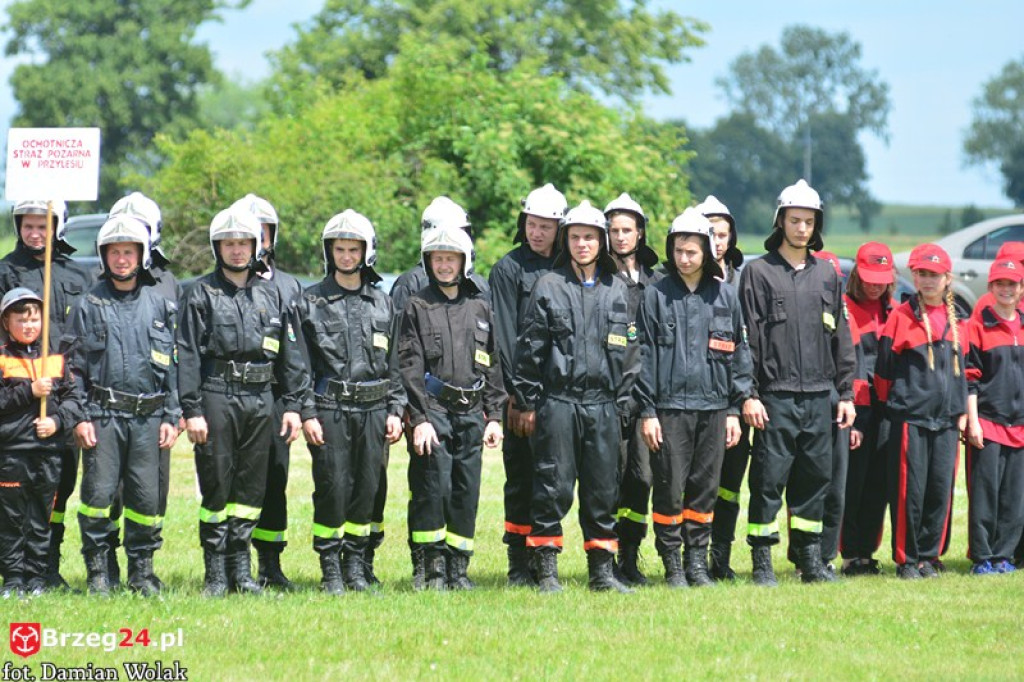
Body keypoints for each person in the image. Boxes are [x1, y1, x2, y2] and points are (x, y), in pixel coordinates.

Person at [176, 207, 306, 597]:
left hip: (261, 398)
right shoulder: (199, 293)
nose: (236, 250)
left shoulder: (272, 294)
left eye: (243, 243)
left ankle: (242, 571)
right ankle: (216, 574)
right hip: (217, 395)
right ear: (217, 247)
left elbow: (291, 356)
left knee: (252, 488)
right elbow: (188, 355)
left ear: (255, 246)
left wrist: (294, 405)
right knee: (217, 484)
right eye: (229, 243)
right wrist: (192, 410)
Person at [514, 200, 640, 593]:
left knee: (603, 489)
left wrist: (624, 405)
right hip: (559, 402)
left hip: (604, 405)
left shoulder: (618, 289)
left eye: (589, 237)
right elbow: (530, 350)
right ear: (565, 241)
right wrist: (528, 402)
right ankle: (547, 571)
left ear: (602, 242)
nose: (582, 244)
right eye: (574, 237)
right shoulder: (548, 286)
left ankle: (601, 573)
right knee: (552, 485)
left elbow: (631, 355)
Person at [739, 179, 855, 586]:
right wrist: (749, 394)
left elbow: (841, 338)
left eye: (808, 221)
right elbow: (747, 340)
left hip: (820, 397)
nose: (802, 228)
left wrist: (846, 393)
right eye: (794, 220)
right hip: (775, 398)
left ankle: (810, 560)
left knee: (815, 481)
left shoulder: (828, 274)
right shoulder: (758, 273)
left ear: (816, 224)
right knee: (767, 481)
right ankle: (762, 562)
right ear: (780, 221)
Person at [635, 207, 752, 587]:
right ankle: (672, 565)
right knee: (669, 490)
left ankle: (697, 564)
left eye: (692, 251)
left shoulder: (726, 296)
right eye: (678, 251)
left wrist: (734, 409)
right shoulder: (655, 295)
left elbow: (740, 355)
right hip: (668, 411)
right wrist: (648, 412)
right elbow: (643, 357)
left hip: (715, 410)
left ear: (707, 251)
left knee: (705, 490)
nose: (684, 258)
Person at [68, 215, 180, 596]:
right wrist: (79, 417)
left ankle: (142, 572)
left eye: (128, 252)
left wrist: (172, 415)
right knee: (98, 497)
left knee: (145, 498)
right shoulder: (88, 305)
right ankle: (99, 571)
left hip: (149, 419)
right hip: (102, 417)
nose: (121, 259)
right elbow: (73, 369)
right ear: (103, 256)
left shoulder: (160, 306)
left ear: (142, 255)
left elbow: (173, 368)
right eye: (114, 252)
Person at [297, 210, 405, 594]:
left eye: (353, 249)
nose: (346, 256)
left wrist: (396, 410)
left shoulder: (383, 303)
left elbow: (395, 364)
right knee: (333, 486)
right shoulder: (309, 302)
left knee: (367, 488)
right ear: (329, 251)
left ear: (366, 252)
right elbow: (300, 366)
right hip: (331, 409)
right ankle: (330, 568)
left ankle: (356, 566)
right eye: (339, 249)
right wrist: (307, 412)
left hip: (375, 410)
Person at [398, 226, 505, 590]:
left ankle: (458, 568)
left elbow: (492, 363)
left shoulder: (480, 306)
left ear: (464, 262)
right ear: (428, 262)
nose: (444, 265)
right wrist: (420, 419)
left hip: (472, 414)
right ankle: (431, 569)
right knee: (433, 489)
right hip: (434, 411)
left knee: (465, 491)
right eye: (438, 258)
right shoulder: (417, 306)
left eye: (451, 258)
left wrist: (495, 416)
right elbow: (409, 366)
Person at [0, 199, 94, 591]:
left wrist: (72, 412)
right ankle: (14, 573)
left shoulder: (76, 274)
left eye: (44, 226)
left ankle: (45, 568)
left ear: (57, 228)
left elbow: (86, 340)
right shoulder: (5, 271)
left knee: (57, 490)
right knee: (12, 505)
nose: (36, 233)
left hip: (61, 393)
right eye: (29, 226)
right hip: (16, 408)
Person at [874, 243, 967, 579]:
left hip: (947, 420)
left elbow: (966, 373)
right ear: (913, 276)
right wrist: (901, 404)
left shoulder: (959, 321)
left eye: (934, 275)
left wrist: (961, 411)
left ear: (947, 278)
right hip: (910, 418)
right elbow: (883, 372)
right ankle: (907, 559)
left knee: (939, 489)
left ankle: (930, 556)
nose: (928, 281)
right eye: (922, 274)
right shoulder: (901, 316)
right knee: (908, 492)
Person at [489, 183, 566, 587]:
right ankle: (518, 563)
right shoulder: (508, 269)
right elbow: (503, 337)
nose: (537, 233)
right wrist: (518, 398)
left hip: (563, 394)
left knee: (554, 479)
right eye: (532, 224)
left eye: (546, 226)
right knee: (521, 478)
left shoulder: (569, 267)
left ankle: (544, 558)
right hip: (521, 395)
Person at [105, 191, 181, 591]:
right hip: (110, 411)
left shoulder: (168, 283)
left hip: (153, 409)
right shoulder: (98, 285)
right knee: (107, 489)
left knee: (151, 489)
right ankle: (105, 565)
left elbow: (178, 352)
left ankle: (143, 566)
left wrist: (175, 409)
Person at [230, 193, 304, 591]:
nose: (255, 239)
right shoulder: (222, 284)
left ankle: (270, 564)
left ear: (272, 236)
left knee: (275, 478)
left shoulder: (290, 287)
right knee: (234, 479)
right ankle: (230, 563)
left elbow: (299, 353)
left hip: (276, 398)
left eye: (262, 231)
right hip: (232, 396)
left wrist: (296, 404)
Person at [0, 288, 83, 598]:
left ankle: (36, 577)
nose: (28, 326)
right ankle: (12, 579)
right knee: (11, 519)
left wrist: (57, 422)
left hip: (48, 452)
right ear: (6, 322)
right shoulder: (2, 357)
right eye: (21, 320)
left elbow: (74, 400)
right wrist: (29, 391)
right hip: (12, 451)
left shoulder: (54, 358)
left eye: (34, 319)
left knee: (40, 518)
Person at [604, 192, 661, 586]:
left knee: (641, 479)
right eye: (614, 230)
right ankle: (604, 558)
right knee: (607, 479)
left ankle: (629, 554)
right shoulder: (600, 280)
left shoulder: (656, 283)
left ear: (640, 233)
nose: (621, 237)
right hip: (608, 396)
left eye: (627, 230)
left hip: (645, 398)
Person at [696, 195, 749, 581]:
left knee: (729, 486)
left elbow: (749, 346)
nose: (717, 241)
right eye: (710, 234)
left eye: (722, 234)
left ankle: (721, 556)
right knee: (696, 484)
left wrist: (745, 397)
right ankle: (693, 557)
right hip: (695, 400)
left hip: (736, 400)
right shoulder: (681, 283)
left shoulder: (744, 280)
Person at [964, 259, 1024, 575]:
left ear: (1021, 289)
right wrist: (973, 421)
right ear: (990, 287)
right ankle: (983, 556)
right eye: (1000, 283)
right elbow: (970, 379)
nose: (1006, 289)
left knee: (1015, 497)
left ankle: (1004, 555)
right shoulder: (978, 326)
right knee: (985, 494)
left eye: (1012, 284)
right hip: (988, 423)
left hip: (1020, 426)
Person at [840, 242, 896, 576]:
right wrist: (854, 418)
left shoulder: (894, 311)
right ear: (857, 276)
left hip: (887, 411)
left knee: (879, 484)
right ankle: (849, 553)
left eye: (882, 280)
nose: (875, 286)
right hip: (856, 410)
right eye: (869, 279)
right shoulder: (844, 309)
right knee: (853, 484)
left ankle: (866, 552)